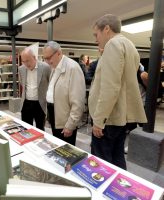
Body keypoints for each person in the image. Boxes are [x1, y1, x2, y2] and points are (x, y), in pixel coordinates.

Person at [89, 14, 147, 170]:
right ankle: (119, 192)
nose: (96, 39)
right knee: (117, 157)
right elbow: (122, 83)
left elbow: (110, 87)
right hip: (121, 116)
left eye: (97, 34)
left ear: (107, 29)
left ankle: (105, 193)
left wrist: (99, 120)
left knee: (102, 163)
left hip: (109, 118)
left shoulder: (113, 45)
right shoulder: (130, 46)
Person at [43, 41, 86, 145]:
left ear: (58, 53)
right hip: (55, 114)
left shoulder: (73, 68)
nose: (47, 61)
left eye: (49, 58)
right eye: (45, 58)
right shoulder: (54, 67)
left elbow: (78, 101)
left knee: (67, 151)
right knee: (58, 146)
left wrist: (71, 124)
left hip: (65, 120)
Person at [19, 47, 51, 131]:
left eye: (28, 60)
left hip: (40, 103)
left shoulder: (45, 67)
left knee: (40, 128)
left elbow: (50, 83)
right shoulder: (21, 69)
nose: (26, 64)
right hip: (26, 103)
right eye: (23, 61)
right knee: (26, 128)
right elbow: (22, 82)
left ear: (34, 57)